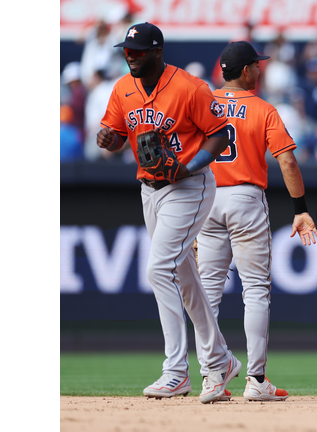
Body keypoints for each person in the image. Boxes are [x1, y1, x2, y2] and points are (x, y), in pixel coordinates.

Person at [96, 22, 241, 404]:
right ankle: (219, 359)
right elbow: (111, 134)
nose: (131, 56)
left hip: (189, 186)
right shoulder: (122, 88)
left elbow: (220, 134)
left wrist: (189, 167)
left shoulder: (190, 87)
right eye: (128, 51)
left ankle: (176, 371)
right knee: (184, 274)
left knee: (159, 268)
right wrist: (108, 139)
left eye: (139, 51)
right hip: (150, 189)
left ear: (158, 52)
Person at [193, 41, 317, 402]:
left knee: (207, 294)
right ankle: (256, 379)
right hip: (245, 197)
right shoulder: (263, 108)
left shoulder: (202, 102)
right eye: (256, 66)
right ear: (246, 70)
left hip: (205, 196)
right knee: (256, 291)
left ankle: (211, 379)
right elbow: (288, 161)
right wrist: (300, 209)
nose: (260, 70)